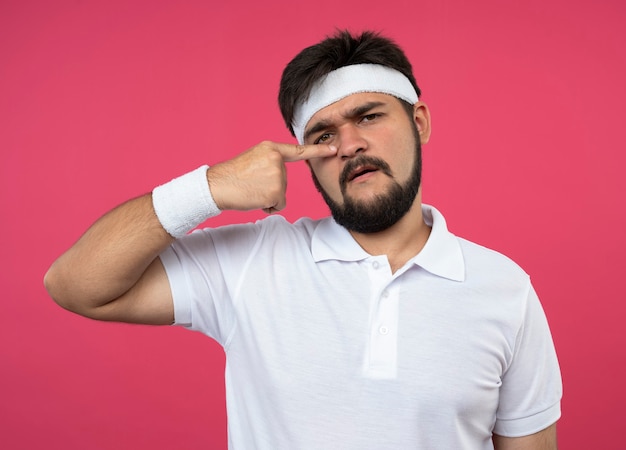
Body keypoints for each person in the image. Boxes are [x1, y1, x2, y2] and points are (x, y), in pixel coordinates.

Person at [44, 30, 562, 449]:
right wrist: (210, 187)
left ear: (419, 121)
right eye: (323, 135)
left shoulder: (504, 289)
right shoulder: (255, 261)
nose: (350, 145)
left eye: (370, 116)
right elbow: (75, 284)